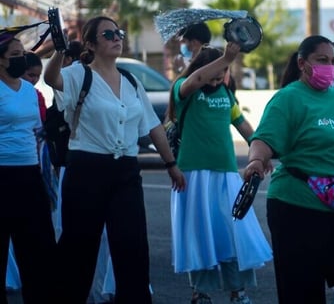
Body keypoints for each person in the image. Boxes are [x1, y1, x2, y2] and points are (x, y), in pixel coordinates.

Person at [44, 16, 186, 303]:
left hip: (126, 173)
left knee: (132, 249)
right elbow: (50, 79)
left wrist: (171, 165)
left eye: (118, 32)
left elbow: (153, 125)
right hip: (86, 171)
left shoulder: (131, 81)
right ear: (91, 44)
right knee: (79, 251)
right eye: (108, 34)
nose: (116, 37)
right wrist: (59, 49)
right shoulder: (77, 74)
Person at [244, 35, 334, 303]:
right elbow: (263, 139)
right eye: (322, 60)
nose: (330, 67)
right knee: (302, 292)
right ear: (302, 63)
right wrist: (255, 161)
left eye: (333, 61)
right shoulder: (287, 98)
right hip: (298, 208)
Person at [169, 44, 272, 304]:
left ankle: (238, 291)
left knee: (234, 233)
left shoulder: (227, 95)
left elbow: (243, 125)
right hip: (194, 177)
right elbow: (197, 79)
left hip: (226, 175)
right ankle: (200, 292)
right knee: (200, 235)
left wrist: (262, 151)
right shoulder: (184, 89)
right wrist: (225, 58)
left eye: (224, 71)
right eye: (214, 71)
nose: (218, 77)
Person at [0, 32, 57, 303]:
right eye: (15, 56)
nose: (22, 59)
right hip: (2, 176)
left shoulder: (29, 92)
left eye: (22, 54)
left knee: (37, 253)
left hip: (30, 176)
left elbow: (36, 133)